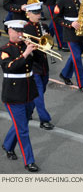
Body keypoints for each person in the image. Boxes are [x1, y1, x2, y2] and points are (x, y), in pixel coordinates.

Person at [0, 19, 40, 172]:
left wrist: (37, 50)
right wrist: (26, 53)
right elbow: (10, 67)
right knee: (23, 129)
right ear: (9, 31)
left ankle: (8, 145)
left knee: (21, 123)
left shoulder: (26, 46)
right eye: (17, 31)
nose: (20, 34)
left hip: (29, 91)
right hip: (14, 94)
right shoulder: (5, 49)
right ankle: (29, 161)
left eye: (21, 31)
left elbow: (38, 62)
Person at [53, 0, 83, 94]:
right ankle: (82, 84)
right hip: (70, 32)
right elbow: (56, 18)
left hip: (82, 30)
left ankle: (65, 74)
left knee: (76, 55)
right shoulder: (62, 0)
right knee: (77, 58)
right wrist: (70, 24)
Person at [23, 2, 55, 130]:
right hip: (33, 65)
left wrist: (48, 43)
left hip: (44, 64)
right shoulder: (25, 29)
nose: (38, 15)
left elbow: (50, 44)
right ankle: (44, 119)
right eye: (35, 13)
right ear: (29, 14)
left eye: (39, 13)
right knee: (39, 95)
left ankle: (28, 112)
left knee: (40, 92)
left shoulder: (44, 26)